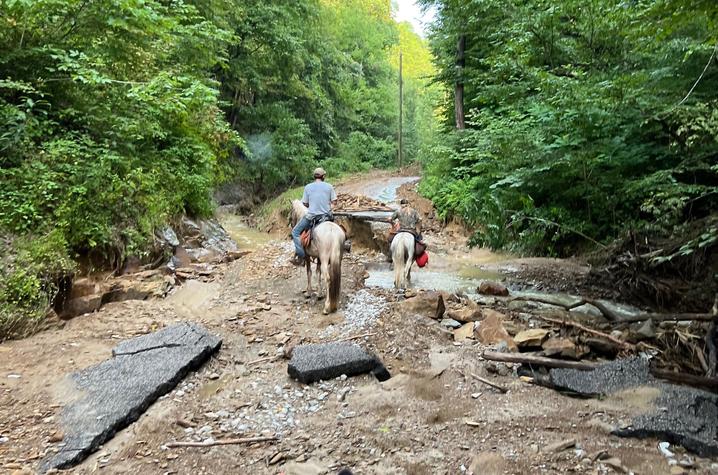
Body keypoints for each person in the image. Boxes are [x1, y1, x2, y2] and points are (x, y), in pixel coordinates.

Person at [291, 167, 337, 265]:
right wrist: (328, 209)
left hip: (311, 217)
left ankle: (301, 257)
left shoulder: (308, 187)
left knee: (295, 232)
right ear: (323, 176)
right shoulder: (329, 186)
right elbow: (334, 202)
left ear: (314, 176)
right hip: (326, 217)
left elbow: (305, 204)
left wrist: (313, 205)